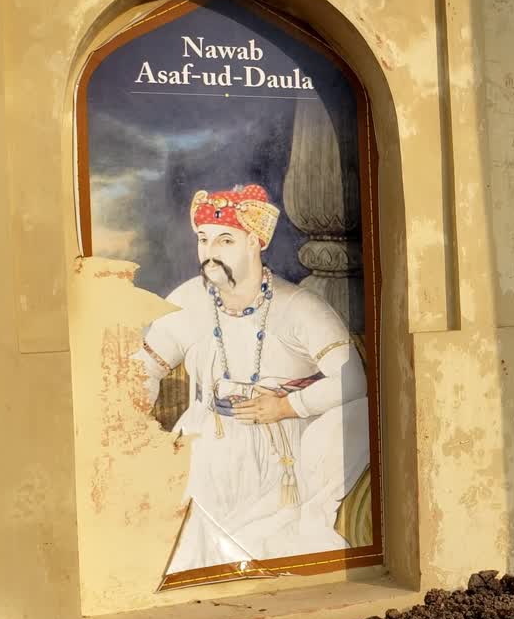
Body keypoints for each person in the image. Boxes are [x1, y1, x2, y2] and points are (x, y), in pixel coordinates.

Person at [133, 184, 370, 575]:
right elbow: (146, 365)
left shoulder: (299, 306)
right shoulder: (190, 298)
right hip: (204, 446)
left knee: (269, 544)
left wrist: (284, 407)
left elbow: (352, 381)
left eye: (225, 240)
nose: (210, 252)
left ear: (255, 243)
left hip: (278, 455)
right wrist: (132, 420)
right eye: (204, 240)